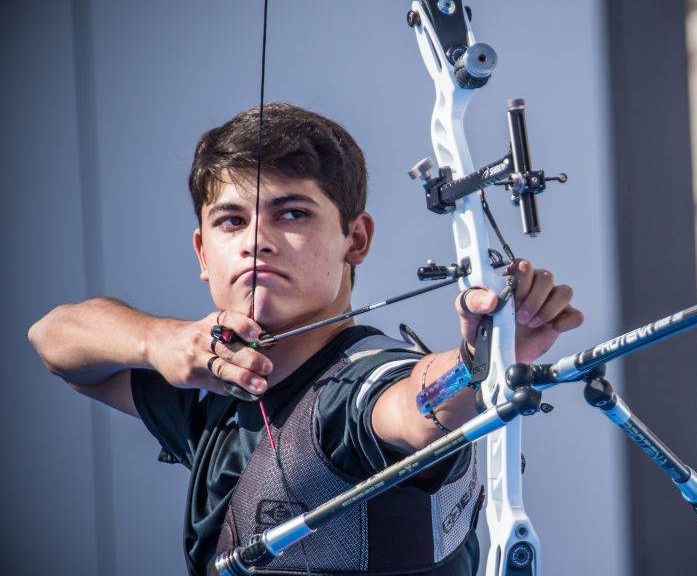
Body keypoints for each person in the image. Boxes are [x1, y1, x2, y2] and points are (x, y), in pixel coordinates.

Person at [27, 103, 583, 576]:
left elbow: (413, 408)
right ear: (202, 252)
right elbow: (54, 339)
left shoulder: (357, 383)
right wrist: (159, 343)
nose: (256, 241)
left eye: (290, 213)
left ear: (355, 239)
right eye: (230, 221)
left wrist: (477, 362)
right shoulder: (212, 381)